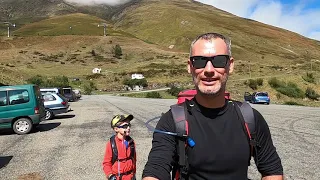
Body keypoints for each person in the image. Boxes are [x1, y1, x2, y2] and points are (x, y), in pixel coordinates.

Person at [142, 32, 283, 180]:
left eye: (219, 60)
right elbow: (156, 168)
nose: (209, 70)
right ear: (190, 66)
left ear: (231, 65)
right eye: (199, 61)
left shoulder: (250, 118)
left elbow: (272, 171)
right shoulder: (172, 120)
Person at [103, 114, 136, 180]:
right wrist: (110, 175)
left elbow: (134, 160)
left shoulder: (132, 143)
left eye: (129, 125)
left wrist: (133, 174)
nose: (128, 128)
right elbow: (106, 163)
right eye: (125, 126)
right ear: (116, 129)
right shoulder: (111, 144)